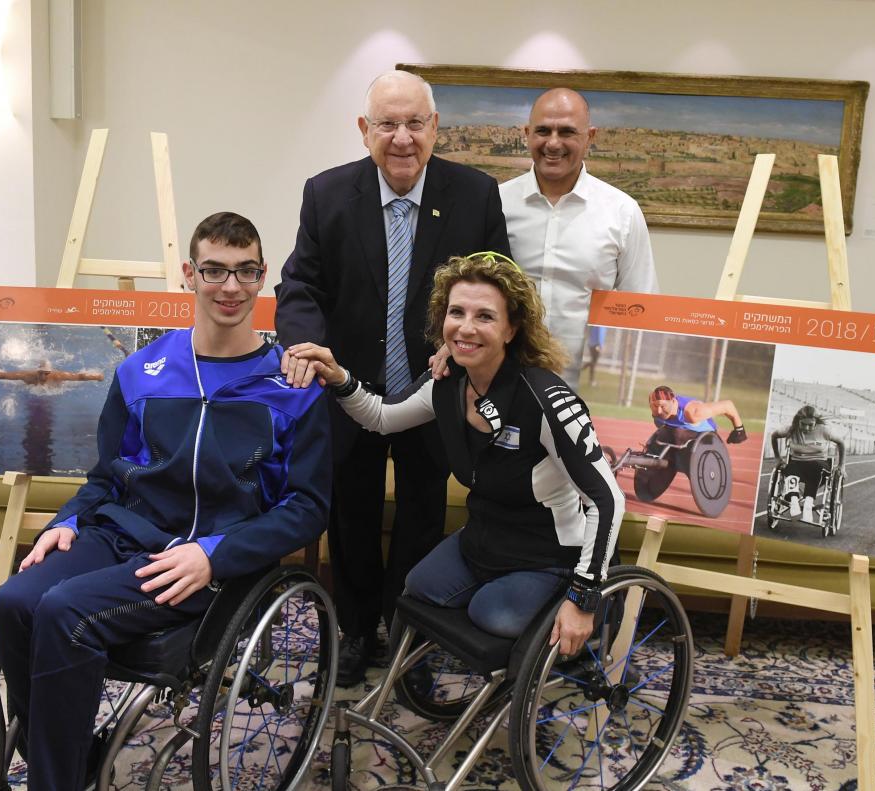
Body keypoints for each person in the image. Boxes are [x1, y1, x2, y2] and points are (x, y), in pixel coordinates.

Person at [0, 212, 331, 791]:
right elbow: (107, 474)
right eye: (215, 270)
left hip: (208, 558)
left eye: (245, 272)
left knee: (64, 611)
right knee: (15, 600)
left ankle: (56, 777)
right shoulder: (141, 371)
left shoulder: (292, 387)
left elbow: (307, 507)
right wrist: (67, 518)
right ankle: (64, 750)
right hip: (125, 532)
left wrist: (214, 556)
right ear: (188, 275)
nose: (230, 286)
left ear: (263, 277)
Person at [274, 70, 510, 686]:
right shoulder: (326, 194)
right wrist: (305, 343)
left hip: (434, 390)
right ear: (364, 131)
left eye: (415, 124)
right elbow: (300, 285)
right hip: (347, 388)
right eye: (387, 124)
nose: (402, 138)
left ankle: (409, 638)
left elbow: (496, 287)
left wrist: (458, 348)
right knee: (349, 514)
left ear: (435, 128)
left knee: (422, 516)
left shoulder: (476, 194)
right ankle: (355, 631)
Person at [288, 252, 623, 655]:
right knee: (419, 587)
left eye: (485, 316)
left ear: (512, 329)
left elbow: (607, 499)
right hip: (487, 539)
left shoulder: (546, 399)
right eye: (456, 312)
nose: (466, 327)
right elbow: (380, 416)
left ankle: (570, 636)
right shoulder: (445, 385)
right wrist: (338, 376)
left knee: (492, 614)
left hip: (550, 553)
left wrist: (584, 598)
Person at [499, 87, 658, 388]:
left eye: (567, 132)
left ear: (590, 137)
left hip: (583, 392)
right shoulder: (497, 204)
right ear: (526, 133)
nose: (553, 143)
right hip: (503, 384)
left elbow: (642, 308)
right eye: (543, 131)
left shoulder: (622, 212)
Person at [770, 405, 846, 523]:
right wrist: (777, 458)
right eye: (803, 424)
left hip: (819, 464)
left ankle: (808, 504)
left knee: (815, 467)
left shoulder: (824, 430)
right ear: (798, 422)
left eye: (810, 425)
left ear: (816, 422)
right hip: (797, 463)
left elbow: (841, 443)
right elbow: (774, 436)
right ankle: (794, 501)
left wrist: (841, 466)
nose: (806, 428)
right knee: (790, 467)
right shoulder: (791, 430)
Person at [647, 385, 747, 445]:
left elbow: (727, 405)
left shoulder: (693, 412)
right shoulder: (656, 408)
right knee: (662, 433)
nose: (659, 411)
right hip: (679, 433)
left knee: (677, 433)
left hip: (706, 438)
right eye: (655, 406)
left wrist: (739, 430)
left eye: (662, 406)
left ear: (673, 401)